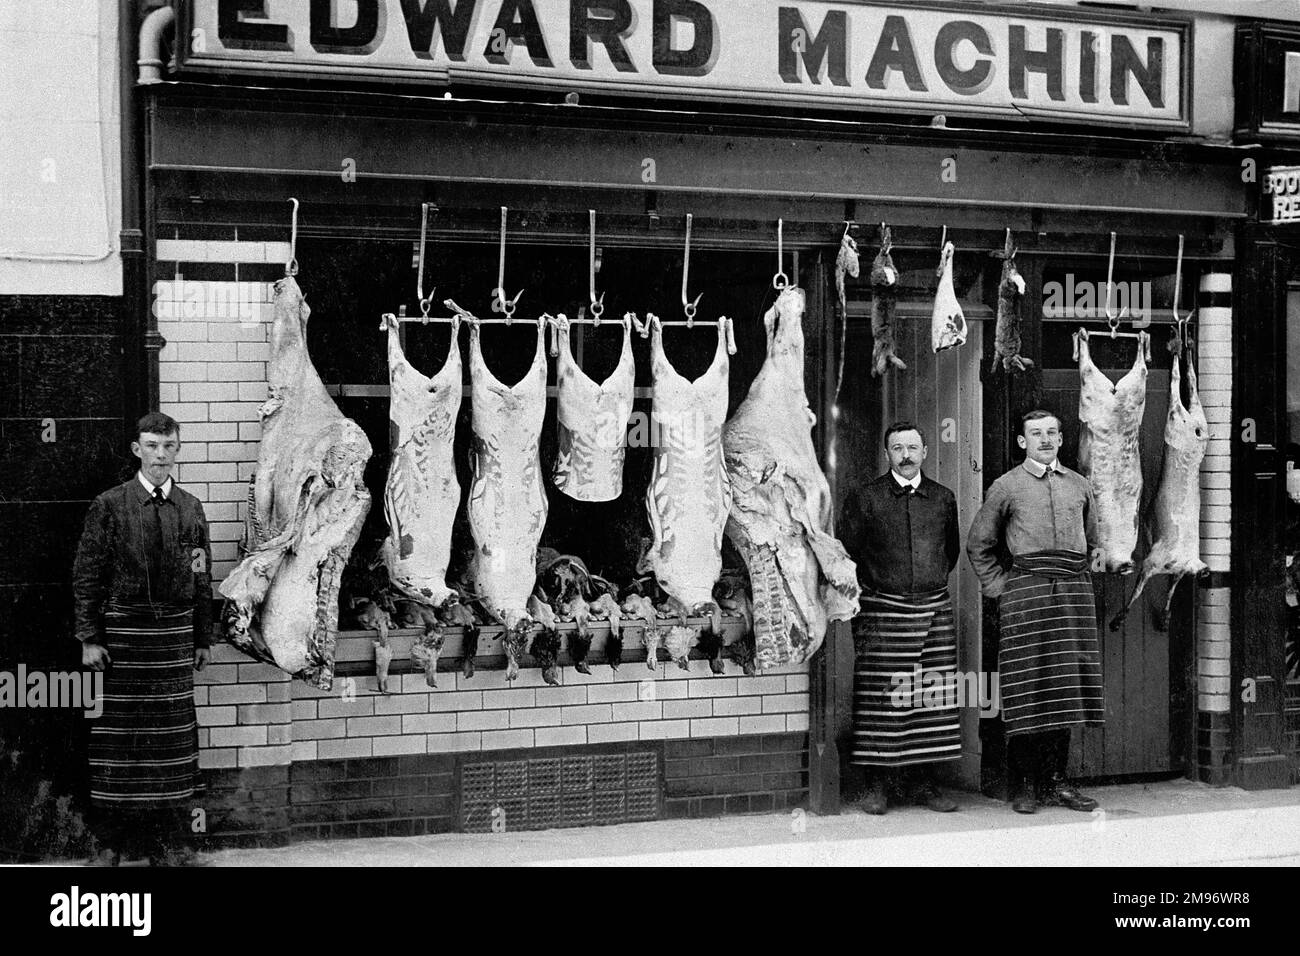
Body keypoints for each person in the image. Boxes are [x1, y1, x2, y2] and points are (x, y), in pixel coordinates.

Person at [72, 412, 213, 864]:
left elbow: (201, 575)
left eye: (168, 446)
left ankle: (166, 846)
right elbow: (87, 574)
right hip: (124, 638)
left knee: (171, 740)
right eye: (151, 445)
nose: (160, 455)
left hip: (172, 638)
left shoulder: (190, 508)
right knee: (120, 738)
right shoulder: (110, 505)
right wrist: (89, 637)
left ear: (177, 450)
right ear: (137, 449)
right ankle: (109, 845)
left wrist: (201, 637)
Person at [966, 409, 1103, 814]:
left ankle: (1056, 782)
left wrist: (1080, 573)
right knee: (1028, 688)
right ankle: (1025, 784)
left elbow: (1094, 538)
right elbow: (979, 544)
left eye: (1051, 433)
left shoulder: (1080, 485)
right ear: (1022, 442)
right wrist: (1001, 588)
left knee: (1064, 688)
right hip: (1025, 593)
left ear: (1061, 439)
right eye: (1035, 434)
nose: (1045, 440)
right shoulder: (1006, 486)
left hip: (1073, 593)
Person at [839, 422, 962, 814]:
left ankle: (924, 785)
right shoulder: (866, 497)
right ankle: (878, 786)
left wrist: (926, 586)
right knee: (882, 701)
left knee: (931, 697)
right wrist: (877, 597)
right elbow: (849, 554)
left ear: (925, 451)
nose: (906, 455)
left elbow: (952, 552)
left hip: (933, 608)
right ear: (887, 454)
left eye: (912, 447)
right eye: (897, 448)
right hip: (884, 611)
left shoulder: (943, 498)